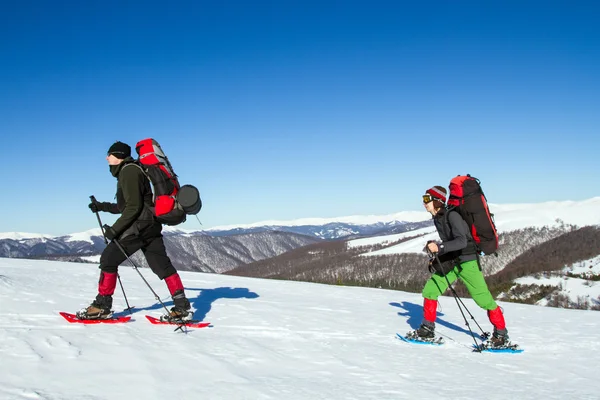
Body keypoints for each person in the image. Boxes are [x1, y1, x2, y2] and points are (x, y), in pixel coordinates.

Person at [78, 141, 192, 321]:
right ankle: (182, 307)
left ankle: (102, 306)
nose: (107, 158)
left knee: (108, 259)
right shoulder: (134, 170)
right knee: (162, 266)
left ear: (119, 156)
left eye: (110, 155)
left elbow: (133, 207)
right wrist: (102, 206)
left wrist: (114, 230)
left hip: (139, 227)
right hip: (151, 225)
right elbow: (127, 205)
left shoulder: (128, 172)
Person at [409, 185, 509, 347]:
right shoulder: (438, 217)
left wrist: (440, 248)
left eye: (427, 199)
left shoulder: (452, 215)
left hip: (467, 261)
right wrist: (437, 249)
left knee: (483, 300)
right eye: (423, 199)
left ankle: (501, 333)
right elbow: (450, 242)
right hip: (453, 260)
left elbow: (462, 241)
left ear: (437, 201)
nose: (424, 203)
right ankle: (427, 329)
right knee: (430, 290)